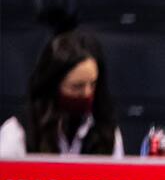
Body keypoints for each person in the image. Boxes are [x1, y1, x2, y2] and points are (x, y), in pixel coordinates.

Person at [0, 30, 123, 158]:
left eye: (92, 84)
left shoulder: (108, 132)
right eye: (77, 87)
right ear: (52, 87)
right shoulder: (18, 132)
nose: (87, 93)